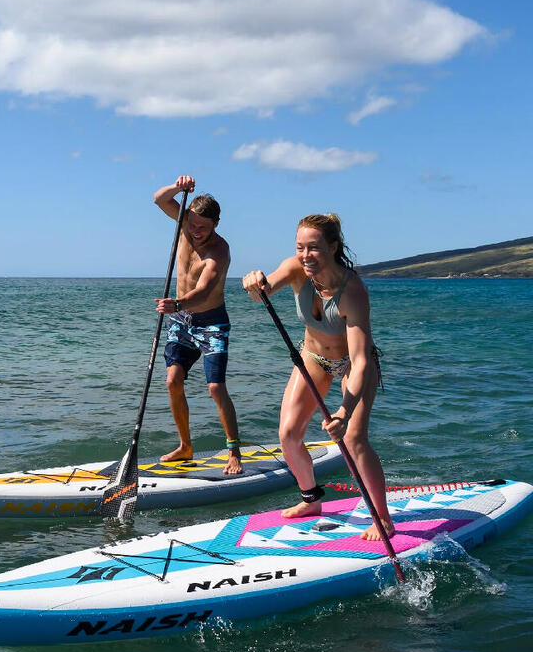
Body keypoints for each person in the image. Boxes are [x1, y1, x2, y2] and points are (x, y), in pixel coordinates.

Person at [241, 213, 394, 541]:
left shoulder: (352, 291)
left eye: (314, 248)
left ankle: (382, 517)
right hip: (313, 358)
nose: (305, 255)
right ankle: (311, 499)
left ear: (333, 247)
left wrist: (344, 411)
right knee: (289, 435)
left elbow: (361, 360)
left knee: (353, 439)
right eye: (300, 247)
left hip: (354, 365)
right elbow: (264, 289)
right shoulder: (296, 268)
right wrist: (255, 284)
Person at [153, 175, 242, 475]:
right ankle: (185, 446)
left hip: (212, 323)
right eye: (192, 224)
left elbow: (204, 290)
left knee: (216, 387)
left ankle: (234, 453)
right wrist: (179, 187)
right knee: (171, 380)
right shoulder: (183, 224)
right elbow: (159, 199)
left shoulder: (220, 251)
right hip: (181, 322)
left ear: (216, 224)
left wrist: (177, 304)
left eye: (203, 227)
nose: (196, 231)